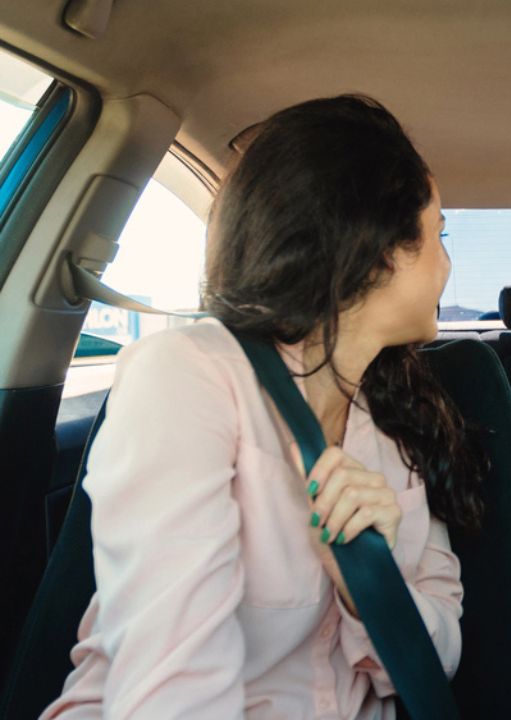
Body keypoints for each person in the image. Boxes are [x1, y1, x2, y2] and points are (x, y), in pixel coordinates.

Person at [43, 95, 486, 718]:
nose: (447, 264)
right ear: (381, 246)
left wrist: (371, 588)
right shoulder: (190, 376)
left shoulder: (408, 430)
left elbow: (441, 656)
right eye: (438, 234)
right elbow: (173, 698)